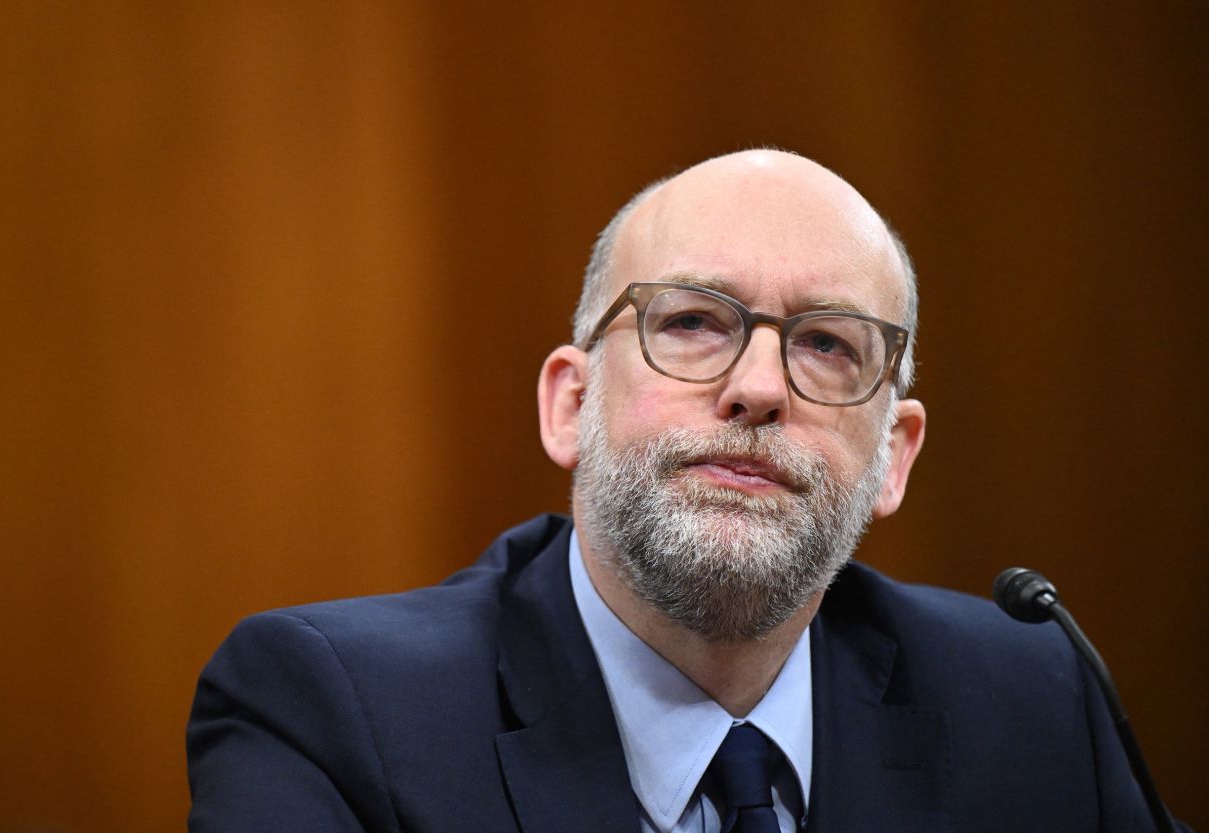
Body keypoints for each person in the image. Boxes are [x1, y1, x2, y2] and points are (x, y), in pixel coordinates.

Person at [187, 150, 1185, 832]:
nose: (755, 387)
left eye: (828, 344)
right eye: (695, 323)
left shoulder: (1030, 700)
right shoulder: (329, 713)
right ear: (570, 402)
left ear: (894, 456)